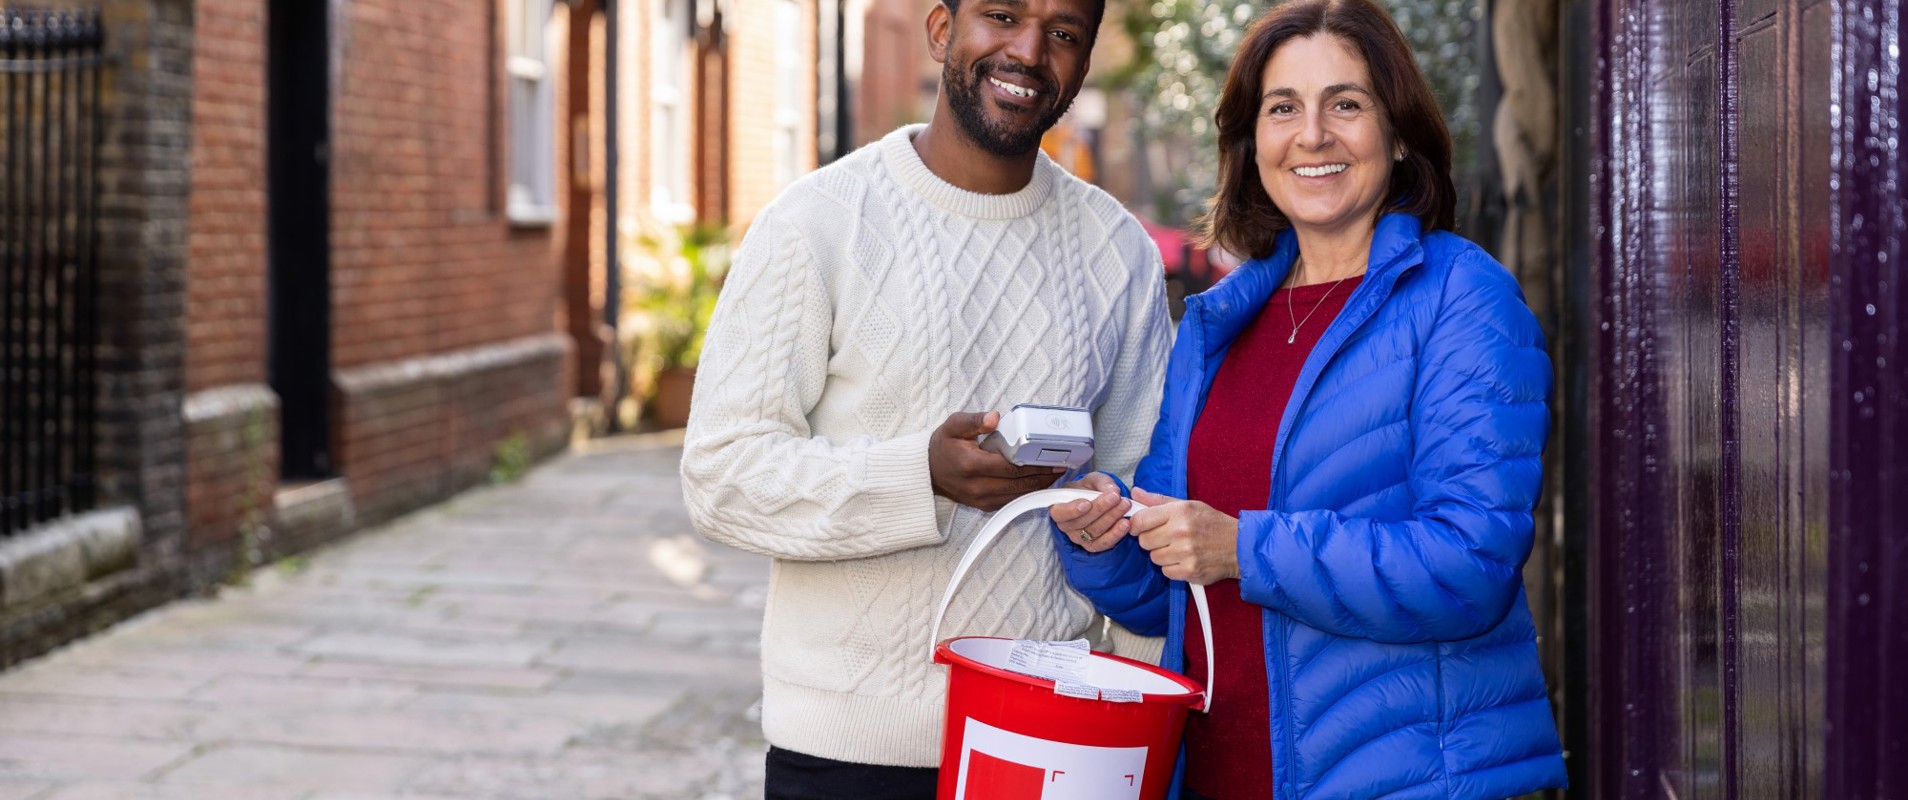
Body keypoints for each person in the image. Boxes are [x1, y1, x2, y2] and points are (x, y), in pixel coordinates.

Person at [1046, 0, 1568, 797]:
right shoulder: (1218, 324)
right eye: (1283, 108)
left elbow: (1472, 566)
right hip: (1222, 772)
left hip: (1408, 780)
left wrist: (1244, 549)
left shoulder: (1462, 299)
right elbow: (1172, 598)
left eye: (1346, 104)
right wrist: (1108, 537)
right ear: (1251, 142)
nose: (1312, 134)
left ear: (1396, 135)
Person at [679, 0, 1172, 796]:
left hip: (1054, 743)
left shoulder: (1120, 252)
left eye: (1064, 34)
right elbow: (721, 479)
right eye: (1002, 16)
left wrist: (1137, 719)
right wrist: (922, 477)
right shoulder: (817, 224)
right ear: (941, 31)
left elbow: (1146, 501)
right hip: (848, 750)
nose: (1029, 51)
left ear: (1082, 67)